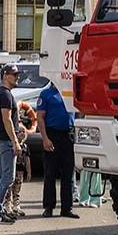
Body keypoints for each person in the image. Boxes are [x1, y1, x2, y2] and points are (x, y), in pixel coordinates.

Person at [36, 80, 79, 219]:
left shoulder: (71, 93)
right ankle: (49, 207)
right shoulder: (46, 94)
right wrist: (45, 139)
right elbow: (40, 117)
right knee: (50, 174)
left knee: (68, 175)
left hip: (68, 135)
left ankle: (67, 208)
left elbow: (79, 113)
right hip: (52, 134)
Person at [0, 64, 21, 224]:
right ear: (5, 76)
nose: (17, 77)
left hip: (1, 140)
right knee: (8, 177)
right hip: (6, 141)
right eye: (14, 75)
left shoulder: (1, 94)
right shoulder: (5, 95)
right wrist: (15, 142)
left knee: (1, 177)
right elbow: (7, 119)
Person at [3, 100, 38, 218]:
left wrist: (29, 172)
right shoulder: (12, 146)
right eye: (20, 132)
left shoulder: (25, 147)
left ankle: (16, 206)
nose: (22, 134)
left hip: (20, 171)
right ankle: (7, 205)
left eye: (24, 132)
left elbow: (27, 160)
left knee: (17, 190)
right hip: (12, 169)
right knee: (9, 189)